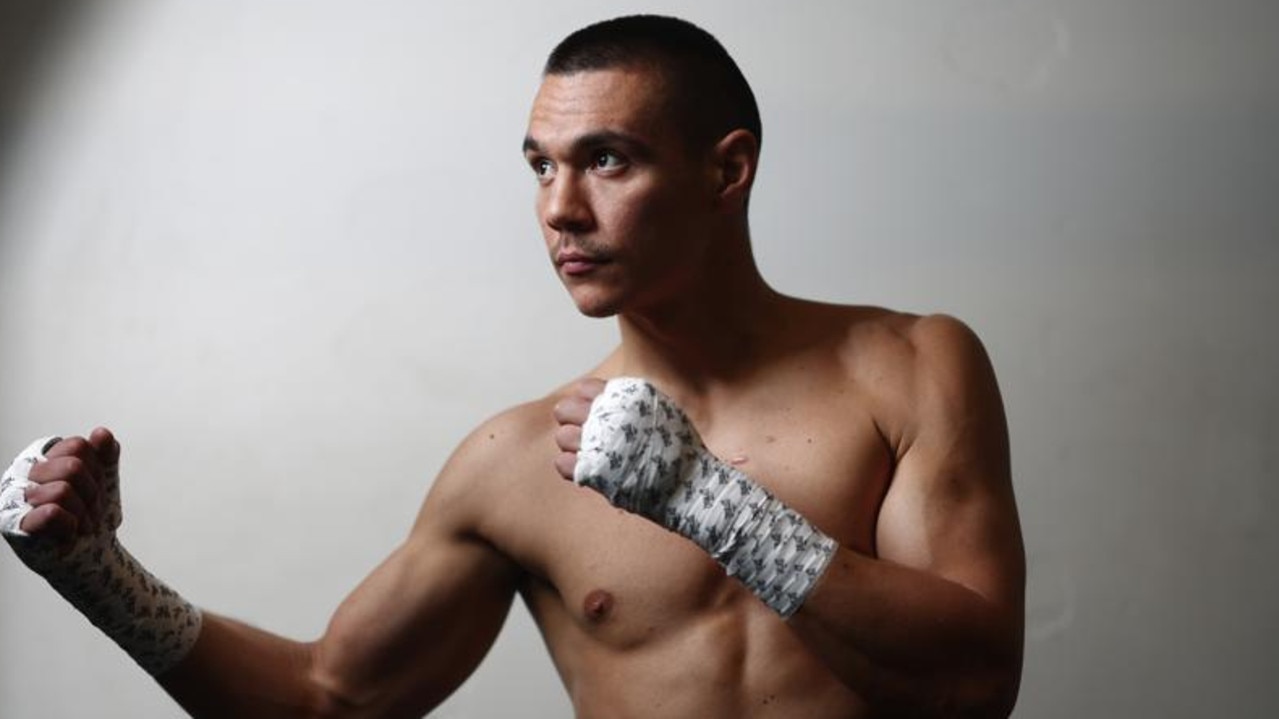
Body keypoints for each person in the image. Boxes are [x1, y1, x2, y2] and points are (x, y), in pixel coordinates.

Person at [0, 14, 1025, 718]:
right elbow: (329, 699)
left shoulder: (905, 365)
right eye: (541, 164)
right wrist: (102, 576)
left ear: (727, 168)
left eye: (606, 160)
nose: (558, 209)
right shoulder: (515, 462)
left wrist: (715, 504)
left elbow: (976, 681)